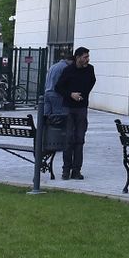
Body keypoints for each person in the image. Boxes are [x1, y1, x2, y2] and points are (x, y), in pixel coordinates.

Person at [54, 47, 95, 180]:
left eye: (88, 57)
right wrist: (71, 94)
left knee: (80, 139)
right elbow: (58, 87)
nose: (87, 59)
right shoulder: (68, 70)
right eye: (84, 57)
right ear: (77, 58)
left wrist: (84, 94)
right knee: (68, 139)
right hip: (69, 107)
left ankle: (76, 170)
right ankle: (66, 170)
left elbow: (92, 81)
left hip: (82, 107)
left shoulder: (90, 69)